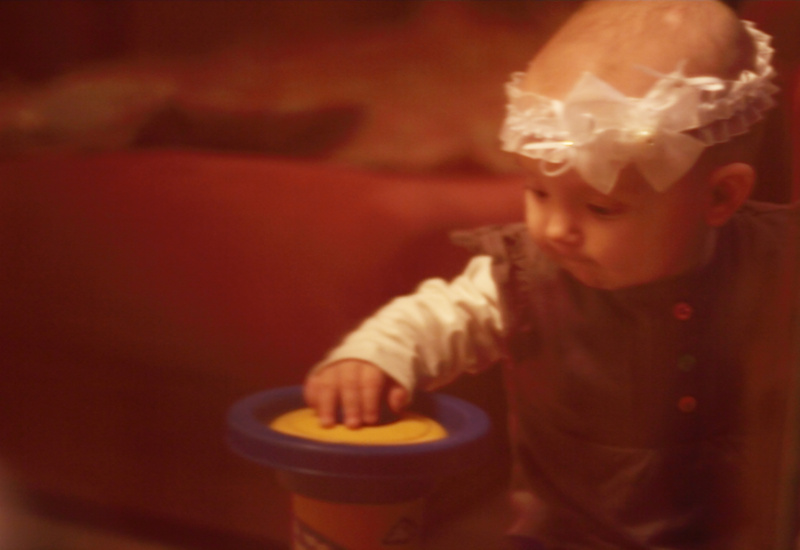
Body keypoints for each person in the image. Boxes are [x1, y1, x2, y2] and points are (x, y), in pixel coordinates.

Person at [304, 1, 798, 548]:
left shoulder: (777, 263)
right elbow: (441, 316)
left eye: (601, 208)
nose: (556, 230)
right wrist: (374, 357)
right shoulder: (526, 278)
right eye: (538, 192)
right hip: (566, 535)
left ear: (721, 196)